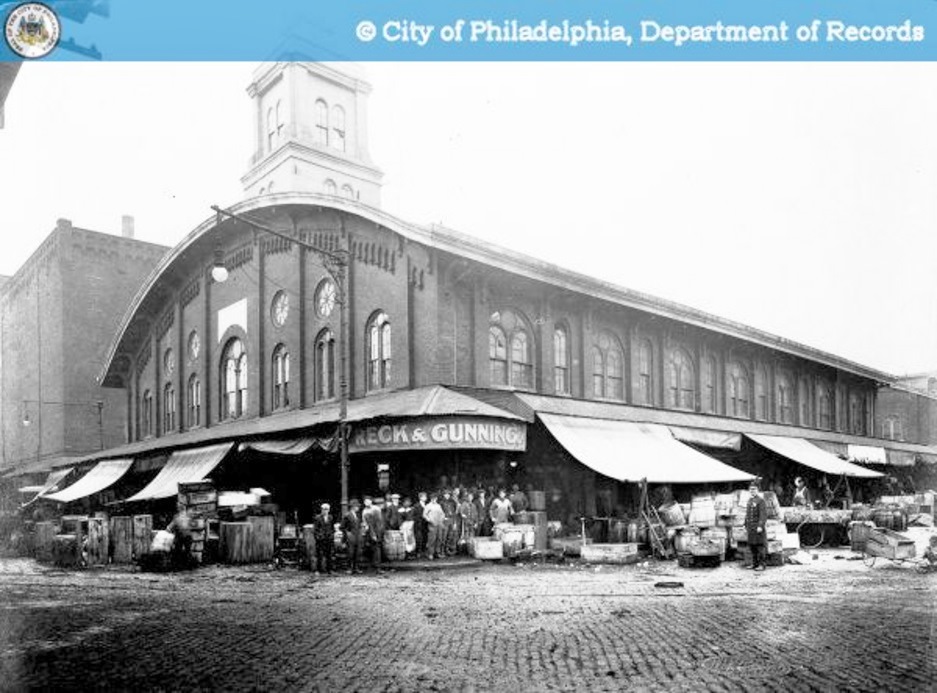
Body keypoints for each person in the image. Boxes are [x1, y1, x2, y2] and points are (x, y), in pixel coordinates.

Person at [745, 481, 768, 571]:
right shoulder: (749, 501)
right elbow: (747, 515)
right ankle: (754, 564)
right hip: (750, 528)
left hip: (758, 528)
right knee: (752, 546)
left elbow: (763, 515)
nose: (752, 491)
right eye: (751, 489)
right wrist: (745, 525)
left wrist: (760, 526)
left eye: (754, 489)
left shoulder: (761, 501)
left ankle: (762, 565)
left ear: (758, 490)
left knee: (760, 546)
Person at [362, 495, 385, 571]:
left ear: (371, 501)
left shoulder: (376, 509)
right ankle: (371, 565)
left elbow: (379, 521)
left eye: (368, 501)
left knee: (377, 548)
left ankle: (378, 567)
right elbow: (364, 522)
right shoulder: (364, 511)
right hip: (369, 531)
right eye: (365, 502)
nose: (366, 503)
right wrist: (365, 529)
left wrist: (376, 533)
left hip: (376, 529)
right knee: (369, 548)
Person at [341, 499, 363, 574]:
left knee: (357, 553)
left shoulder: (357, 515)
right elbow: (342, 527)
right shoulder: (347, 515)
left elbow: (359, 525)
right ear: (353, 507)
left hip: (357, 535)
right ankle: (349, 568)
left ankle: (356, 568)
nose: (358, 507)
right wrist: (347, 533)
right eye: (357, 506)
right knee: (350, 553)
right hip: (351, 536)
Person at [313, 502, 335, 575]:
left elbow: (332, 528)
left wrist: (332, 535)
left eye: (327, 509)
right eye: (324, 509)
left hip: (328, 538)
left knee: (329, 554)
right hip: (321, 539)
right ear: (321, 510)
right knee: (319, 554)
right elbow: (315, 529)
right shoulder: (317, 517)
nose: (325, 511)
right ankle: (318, 570)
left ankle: (329, 570)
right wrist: (318, 537)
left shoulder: (330, 517)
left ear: (329, 510)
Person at [423, 493, 446, 559]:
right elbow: (424, 515)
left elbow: (442, 514)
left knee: (439, 538)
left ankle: (437, 552)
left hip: (439, 524)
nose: (434, 499)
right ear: (431, 499)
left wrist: (442, 519)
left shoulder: (438, 506)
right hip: (432, 524)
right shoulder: (428, 506)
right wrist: (429, 520)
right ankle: (430, 553)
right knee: (432, 539)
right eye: (433, 498)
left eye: (435, 498)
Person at [440, 488, 459, 557]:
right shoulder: (441, 503)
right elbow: (440, 513)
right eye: (445, 494)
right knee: (444, 536)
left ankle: (448, 550)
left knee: (450, 536)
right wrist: (443, 519)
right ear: (443, 495)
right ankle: (442, 551)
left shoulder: (452, 502)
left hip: (451, 520)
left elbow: (454, 513)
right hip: (445, 520)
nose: (447, 496)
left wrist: (454, 522)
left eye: (448, 494)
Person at [412, 491, 427, 557]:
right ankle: (418, 552)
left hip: (425, 524)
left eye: (425, 497)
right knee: (419, 538)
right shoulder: (416, 505)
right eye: (424, 497)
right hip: (418, 524)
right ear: (420, 498)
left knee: (425, 537)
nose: (425, 498)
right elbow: (414, 515)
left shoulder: (427, 505)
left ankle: (423, 551)